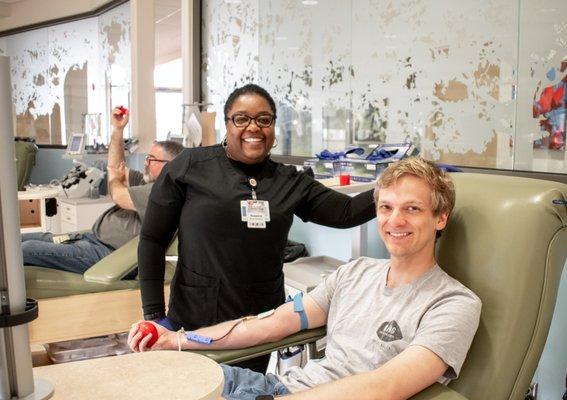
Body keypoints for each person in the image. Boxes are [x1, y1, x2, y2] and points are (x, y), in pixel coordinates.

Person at [128, 156, 482, 400]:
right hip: (276, 387)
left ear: (441, 218)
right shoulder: (354, 273)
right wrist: (176, 340)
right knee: (146, 382)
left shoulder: (453, 303)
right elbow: (269, 324)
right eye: (386, 208)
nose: (395, 221)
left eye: (413, 209)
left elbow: (384, 387)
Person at [137, 83, 376, 372]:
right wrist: (154, 314)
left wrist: (396, 185)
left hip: (259, 322)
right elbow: (152, 239)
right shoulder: (191, 165)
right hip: (194, 315)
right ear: (228, 124)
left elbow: (346, 212)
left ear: (273, 127)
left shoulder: (289, 181)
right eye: (241, 118)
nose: (254, 127)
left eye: (264, 119)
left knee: (247, 389)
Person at [21, 107, 184, 274]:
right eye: (146, 157)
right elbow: (115, 166)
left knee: (26, 249)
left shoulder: (164, 193)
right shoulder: (148, 181)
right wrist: (118, 130)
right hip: (91, 238)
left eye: (151, 159)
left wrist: (114, 178)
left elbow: (118, 195)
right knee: (25, 238)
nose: (145, 163)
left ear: (170, 166)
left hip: (107, 255)